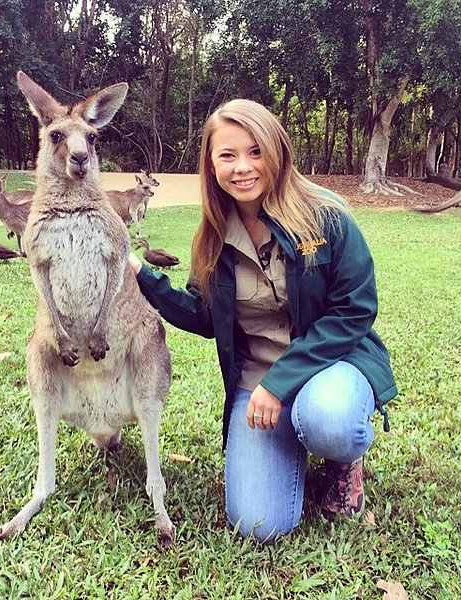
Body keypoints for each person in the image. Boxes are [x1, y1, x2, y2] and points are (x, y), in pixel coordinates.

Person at [128, 99, 397, 544]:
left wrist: (281, 383)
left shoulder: (325, 214)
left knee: (329, 419)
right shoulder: (214, 234)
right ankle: (289, 442)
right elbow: (204, 315)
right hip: (257, 380)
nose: (242, 167)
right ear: (211, 164)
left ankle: (341, 458)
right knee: (258, 524)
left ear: (276, 150)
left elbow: (355, 308)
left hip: (328, 368)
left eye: (255, 151)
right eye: (227, 155)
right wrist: (140, 273)